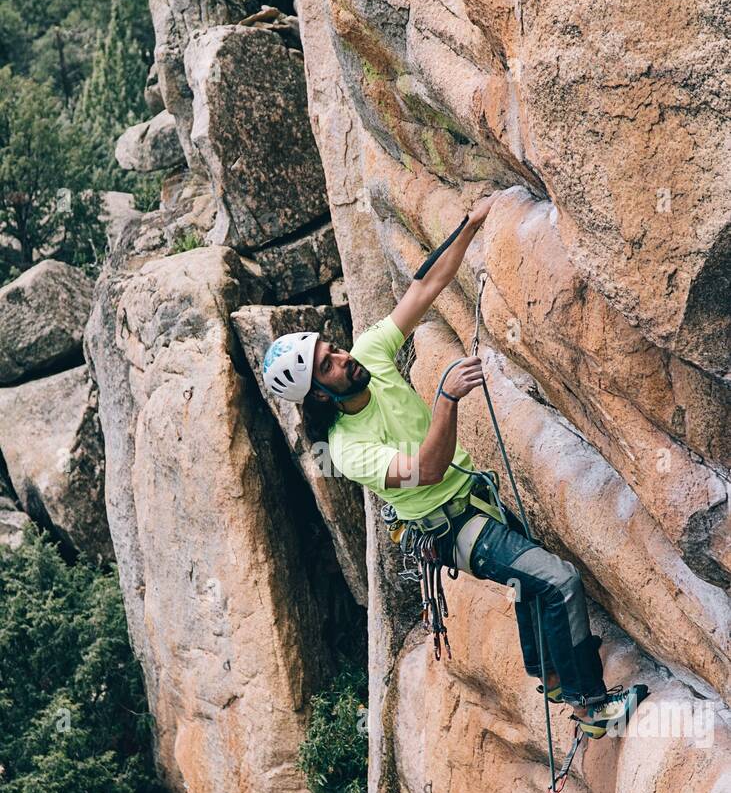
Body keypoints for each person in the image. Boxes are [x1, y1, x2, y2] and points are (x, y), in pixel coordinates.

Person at [262, 193, 648, 740]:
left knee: (530, 584)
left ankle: (553, 674)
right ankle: (591, 708)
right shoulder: (348, 449)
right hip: (453, 527)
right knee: (558, 580)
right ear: (320, 396)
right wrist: (445, 397)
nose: (344, 357)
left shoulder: (369, 354)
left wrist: (469, 224)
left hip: (474, 499)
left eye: (335, 348)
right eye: (330, 364)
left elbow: (424, 287)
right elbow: (426, 467)